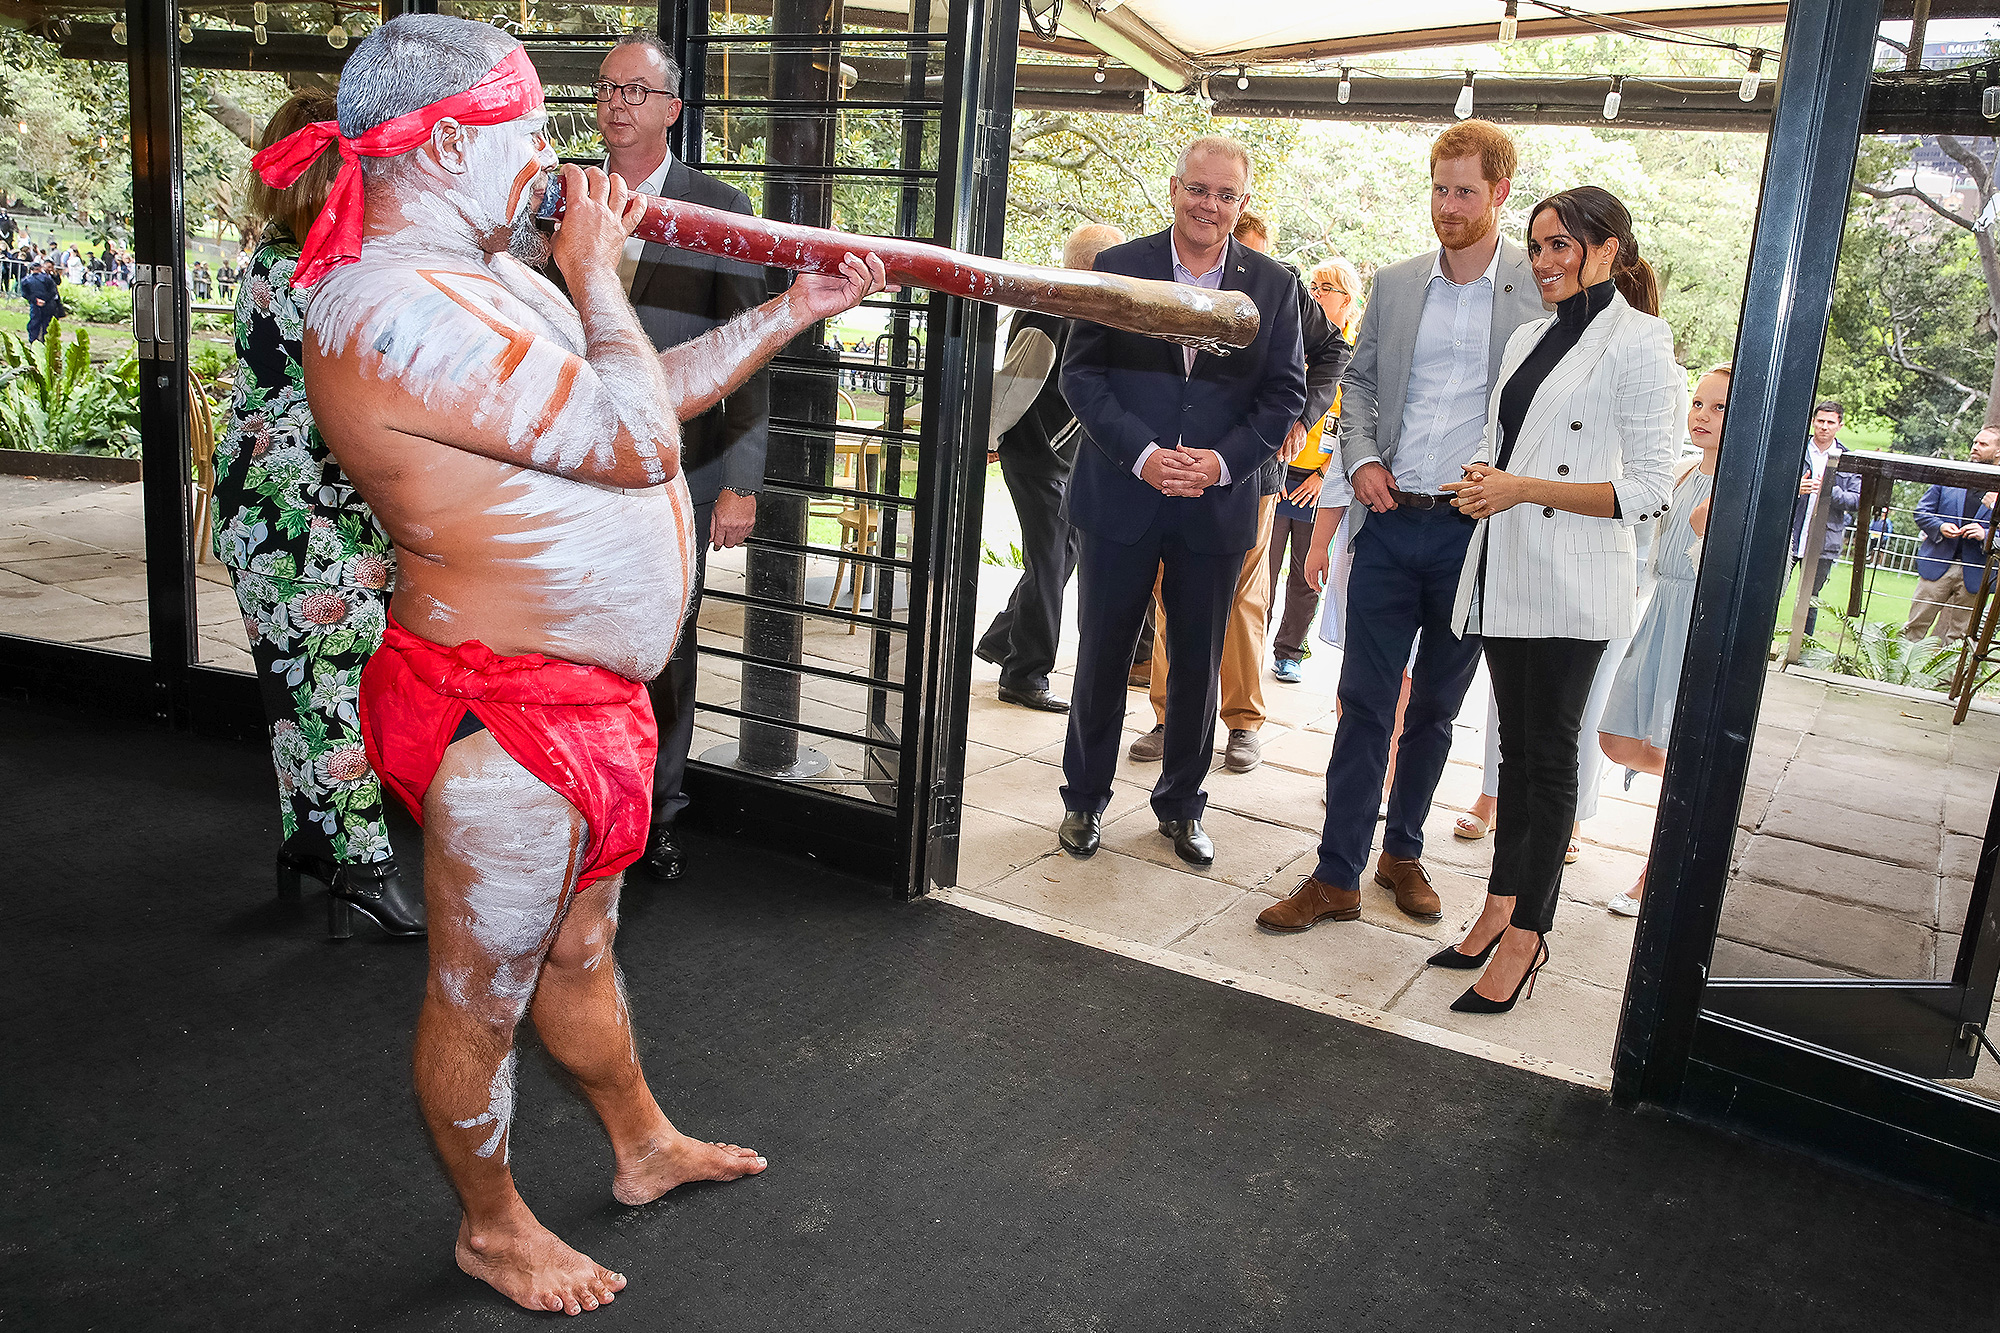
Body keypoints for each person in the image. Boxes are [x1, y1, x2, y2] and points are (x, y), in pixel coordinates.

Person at [278, 15, 890, 1313]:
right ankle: (492, 1226)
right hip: (498, 717)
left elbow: (636, 399)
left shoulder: (489, 269)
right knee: (478, 992)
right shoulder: (385, 308)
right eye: (529, 129)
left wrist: (796, 305)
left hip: (586, 706)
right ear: (445, 141)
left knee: (579, 950)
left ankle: (642, 1143)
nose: (558, 156)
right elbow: (624, 439)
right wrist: (602, 271)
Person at [1258, 120, 1543, 933]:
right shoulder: (1399, 280)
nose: (1447, 205)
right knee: (1363, 702)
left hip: (1471, 534)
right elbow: (1362, 386)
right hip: (1387, 522)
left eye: (1464, 190)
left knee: (1436, 712)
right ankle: (1335, 873)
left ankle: (1403, 854)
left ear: (1499, 193)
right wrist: (1366, 459)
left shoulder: (1537, 286)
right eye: (1439, 188)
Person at [1424, 185, 1677, 1013]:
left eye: (1562, 245)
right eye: (1536, 247)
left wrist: (1519, 487)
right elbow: (1506, 447)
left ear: (1608, 249)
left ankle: (1531, 934)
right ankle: (1498, 906)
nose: (1544, 262)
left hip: (1575, 581)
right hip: (1507, 567)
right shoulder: (1530, 335)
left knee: (1549, 756)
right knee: (1514, 755)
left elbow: (1647, 489)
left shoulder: (1642, 343)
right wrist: (1483, 486)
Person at [1055, 134, 1305, 867]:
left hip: (1214, 504)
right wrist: (1144, 455)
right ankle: (1083, 801)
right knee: (1102, 657)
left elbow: (1284, 392)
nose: (1210, 205)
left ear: (1244, 203)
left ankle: (1183, 806)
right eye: (1199, 189)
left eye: (1226, 195)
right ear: (1173, 188)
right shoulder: (1117, 269)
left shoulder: (1273, 284)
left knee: (1197, 666)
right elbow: (1081, 376)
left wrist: (1220, 464)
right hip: (1122, 495)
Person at [213, 91, 422, 940]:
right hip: (313, 522)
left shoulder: (271, 262)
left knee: (297, 688)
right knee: (339, 690)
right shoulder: (331, 280)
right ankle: (364, 866)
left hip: (263, 512)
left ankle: (308, 840)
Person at [589, 32, 773, 884]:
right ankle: (588, 803)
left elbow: (746, 348)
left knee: (664, 649)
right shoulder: (566, 197)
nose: (618, 103)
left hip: (678, 475)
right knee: (579, 639)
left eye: (636, 90)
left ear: (671, 108)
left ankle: (659, 816)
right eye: (607, 88)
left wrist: (741, 481)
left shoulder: (717, 206)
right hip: (575, 468)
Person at [1126, 210, 1347, 771]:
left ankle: (1243, 722)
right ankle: (1166, 716)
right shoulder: (1166, 285)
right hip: (1172, 469)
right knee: (1168, 594)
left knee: (1244, 598)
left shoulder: (1283, 288)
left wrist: (1300, 417)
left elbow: (1332, 355)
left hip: (1252, 474)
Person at [975, 222, 1127, 712]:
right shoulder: (1051, 309)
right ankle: (1025, 675)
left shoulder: (1078, 307)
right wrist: (992, 437)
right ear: (1091, 263)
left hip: (1059, 456)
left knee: (1062, 554)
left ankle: (1004, 642)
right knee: (1050, 559)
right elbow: (1018, 381)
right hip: (1038, 455)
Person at [1598, 364, 1729, 914]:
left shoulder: (1736, 489)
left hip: (1697, 625)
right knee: (1620, 736)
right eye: (1698, 404)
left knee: (1676, 745)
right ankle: (1704, 803)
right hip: (1660, 614)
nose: (1701, 415)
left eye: (1719, 407)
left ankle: (1659, 868)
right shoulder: (1681, 474)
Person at [1269, 257, 1362, 683]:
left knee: (1307, 573)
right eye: (1315, 286)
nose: (1317, 294)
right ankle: (1247, 645)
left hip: (1320, 482)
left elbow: (1355, 425)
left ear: (1348, 302)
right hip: (1277, 471)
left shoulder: (1357, 354)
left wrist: (1323, 477)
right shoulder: (1292, 336)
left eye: (1328, 288)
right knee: (1261, 570)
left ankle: (1289, 650)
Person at [1904, 426, 1999, 645]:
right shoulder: (1950, 475)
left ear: (1998, 453)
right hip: (1937, 564)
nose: (1975, 447)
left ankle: (1947, 681)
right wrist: (1939, 526)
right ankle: (1895, 677)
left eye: (1983, 444)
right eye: (1975, 442)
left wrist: (1985, 534)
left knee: (1960, 638)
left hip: (1977, 573)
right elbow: (1922, 511)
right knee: (1914, 626)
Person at [1790, 400, 1858, 639]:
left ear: (1839, 425)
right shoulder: (1796, 449)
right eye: (1820, 421)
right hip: (1789, 537)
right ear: (1813, 422)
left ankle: (1802, 648)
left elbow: (1857, 500)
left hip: (1823, 541)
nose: (1824, 427)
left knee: (1810, 599)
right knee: (1771, 594)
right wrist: (1795, 488)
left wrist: (1827, 490)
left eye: (1830, 422)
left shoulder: (1848, 458)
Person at [20, 258, 61, 342]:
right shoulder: (47, 279)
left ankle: (33, 341)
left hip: (35, 305)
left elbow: (25, 294)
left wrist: (36, 300)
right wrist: (44, 300)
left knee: (34, 323)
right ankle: (45, 341)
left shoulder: (25, 280)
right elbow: (53, 292)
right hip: (47, 304)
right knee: (46, 324)